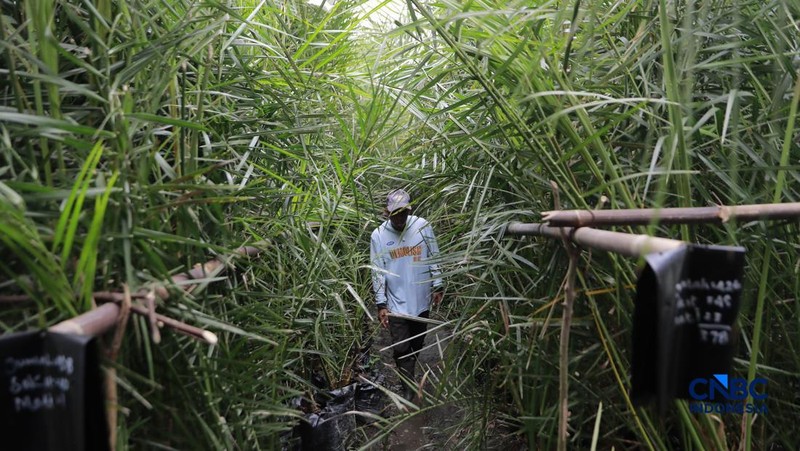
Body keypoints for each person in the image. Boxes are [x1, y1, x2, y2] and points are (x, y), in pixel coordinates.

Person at [370, 189, 443, 399]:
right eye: (395, 213)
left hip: (421, 300)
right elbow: (377, 271)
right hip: (396, 302)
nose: (400, 218)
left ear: (409, 210)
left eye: (403, 212)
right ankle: (408, 388)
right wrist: (381, 304)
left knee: (417, 343)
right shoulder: (379, 235)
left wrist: (438, 285)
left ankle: (408, 373)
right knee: (402, 347)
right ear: (387, 212)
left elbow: (434, 255)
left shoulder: (422, 226)